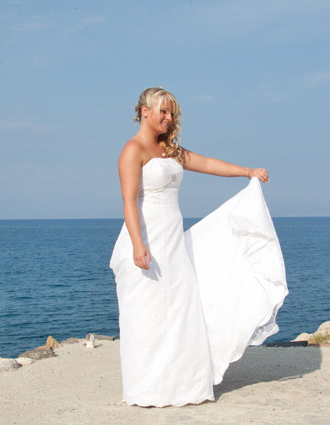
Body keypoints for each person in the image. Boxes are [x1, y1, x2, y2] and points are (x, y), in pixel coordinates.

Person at [110, 87, 288, 407]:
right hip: (145, 241)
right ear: (144, 111)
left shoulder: (170, 150)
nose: (168, 117)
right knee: (146, 316)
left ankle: (180, 386)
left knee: (179, 313)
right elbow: (128, 201)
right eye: (163, 111)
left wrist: (246, 172)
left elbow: (205, 162)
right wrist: (138, 244)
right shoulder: (132, 150)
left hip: (172, 243)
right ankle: (145, 388)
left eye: (172, 113)